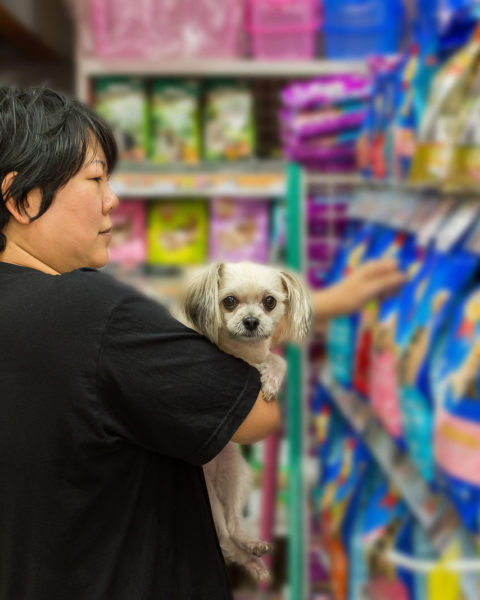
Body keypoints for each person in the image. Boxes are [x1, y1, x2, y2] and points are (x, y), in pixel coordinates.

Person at [0, 86, 404, 600]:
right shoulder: (100, 317)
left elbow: (208, 336)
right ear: (23, 198)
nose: (113, 199)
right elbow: (255, 415)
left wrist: (319, 304)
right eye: (96, 178)